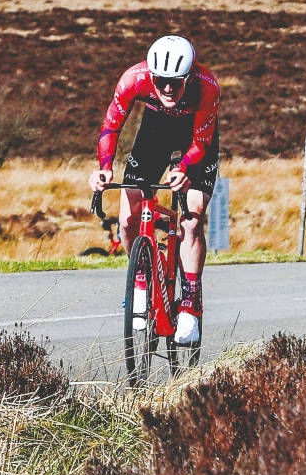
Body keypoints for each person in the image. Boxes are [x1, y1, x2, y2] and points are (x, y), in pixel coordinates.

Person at [89, 34, 219, 346]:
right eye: (161, 82)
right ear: (151, 75)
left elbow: (201, 142)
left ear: (189, 77)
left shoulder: (207, 86)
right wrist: (104, 167)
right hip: (155, 131)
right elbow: (111, 127)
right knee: (127, 220)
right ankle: (141, 278)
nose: (168, 89)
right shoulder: (133, 79)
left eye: (176, 82)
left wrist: (183, 169)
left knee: (192, 219)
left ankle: (190, 301)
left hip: (195, 140)